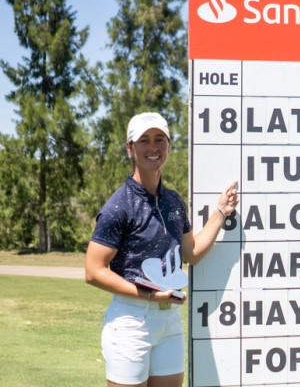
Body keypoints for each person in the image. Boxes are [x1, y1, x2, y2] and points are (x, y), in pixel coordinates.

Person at [85, 112, 239, 387]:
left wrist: (220, 212)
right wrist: (149, 295)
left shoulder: (173, 202)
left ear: (168, 144)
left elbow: (191, 252)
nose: (152, 147)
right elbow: (93, 271)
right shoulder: (119, 205)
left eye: (159, 139)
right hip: (130, 322)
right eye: (143, 140)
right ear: (130, 148)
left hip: (169, 321)